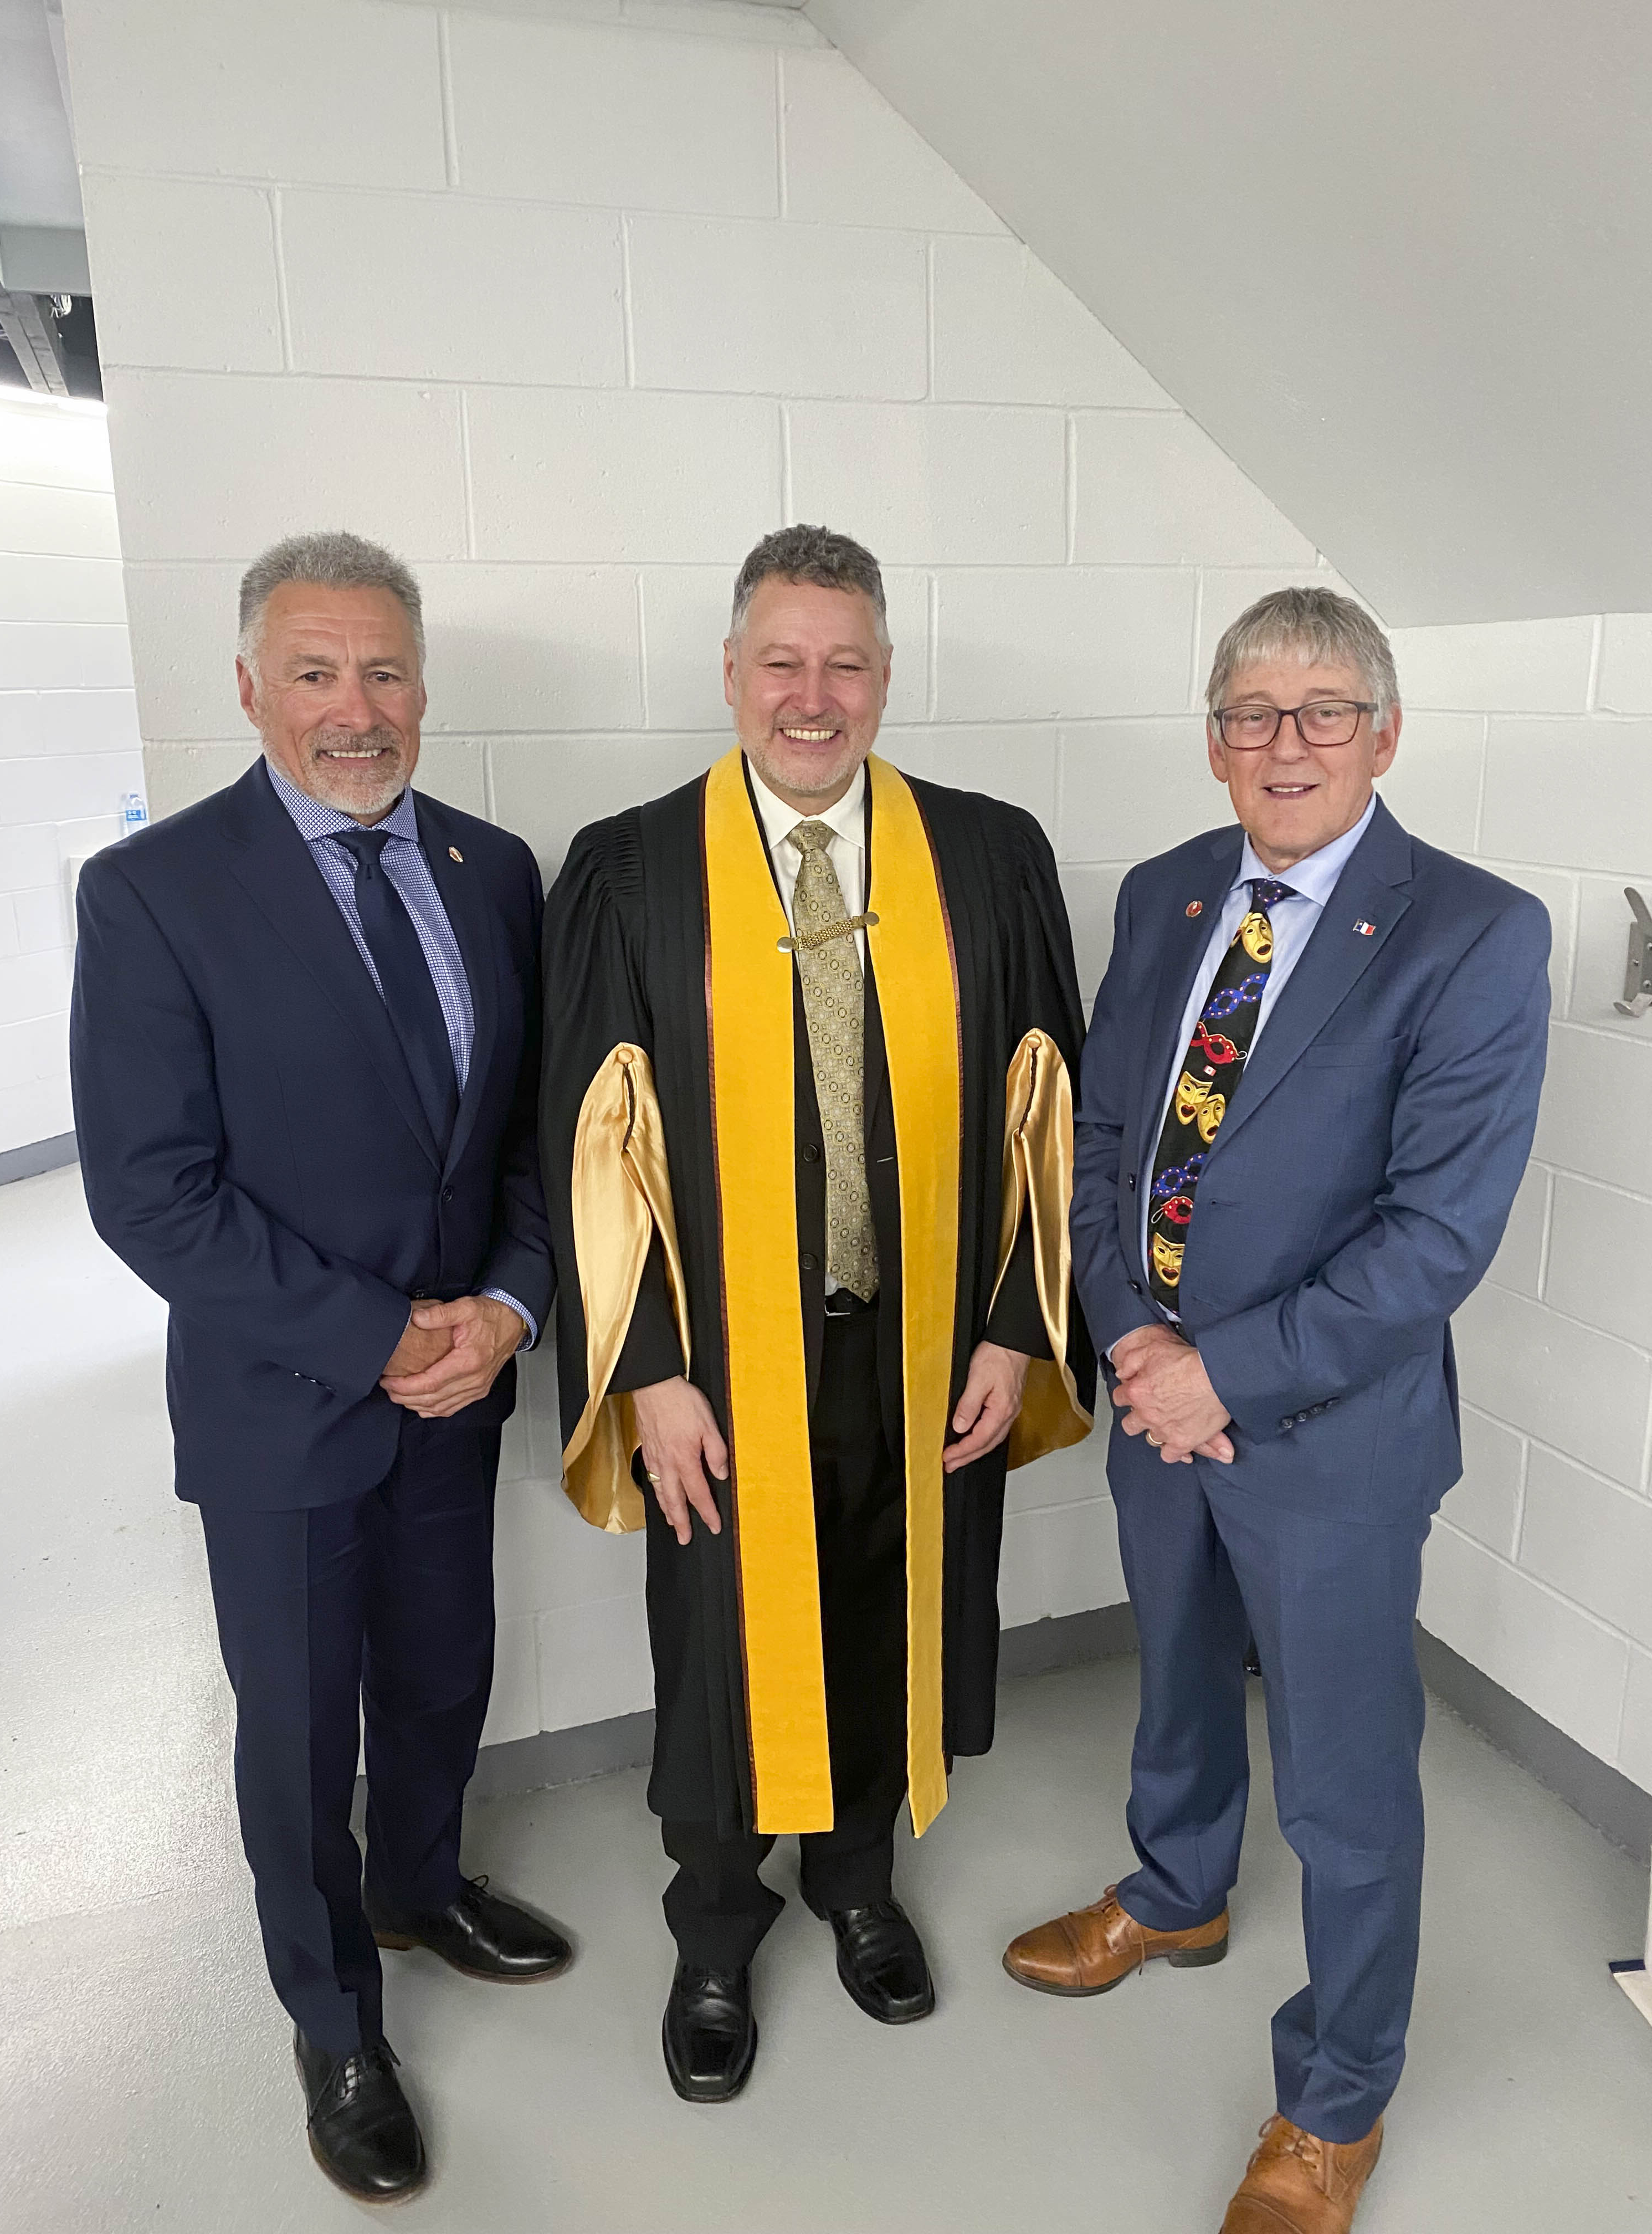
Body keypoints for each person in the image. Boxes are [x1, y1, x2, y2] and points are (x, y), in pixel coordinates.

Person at [1002, 586, 1550, 2233]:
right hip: (1159, 1406)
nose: (1286, 743)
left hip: (1330, 1437)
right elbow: (1103, 1144)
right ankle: (1176, 1896)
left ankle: (1337, 2101)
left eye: (1324, 711)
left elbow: (1437, 1238)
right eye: (1252, 711)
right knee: (1171, 1679)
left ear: (1386, 734)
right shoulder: (1169, 891)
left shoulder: (1474, 929)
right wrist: (1127, 1337)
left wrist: (1216, 1370)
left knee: (1343, 1776)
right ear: (1215, 735)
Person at [541, 524, 1095, 2103]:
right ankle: (716, 1930)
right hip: (721, 1366)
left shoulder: (988, 856)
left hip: (923, 1344)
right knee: (721, 1641)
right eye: (780, 660)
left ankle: (857, 1889)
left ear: (886, 676)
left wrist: (1011, 1322)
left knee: (889, 1617)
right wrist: (647, 1372)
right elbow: (593, 1136)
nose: (813, 693)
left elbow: (1046, 1109)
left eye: (845, 661)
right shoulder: (633, 869)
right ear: (729, 674)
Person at [70, 532, 570, 2204]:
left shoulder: (497, 871)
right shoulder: (153, 891)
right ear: (247, 687)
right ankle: (332, 2016)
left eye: (382, 674)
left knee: (441, 1671)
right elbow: (153, 1190)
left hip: (462, 1385)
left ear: (422, 687)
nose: (354, 711)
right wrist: (377, 1338)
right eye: (314, 672)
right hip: (288, 1402)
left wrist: (502, 1309)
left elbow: (525, 1137)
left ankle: (421, 1888)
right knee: (296, 1726)